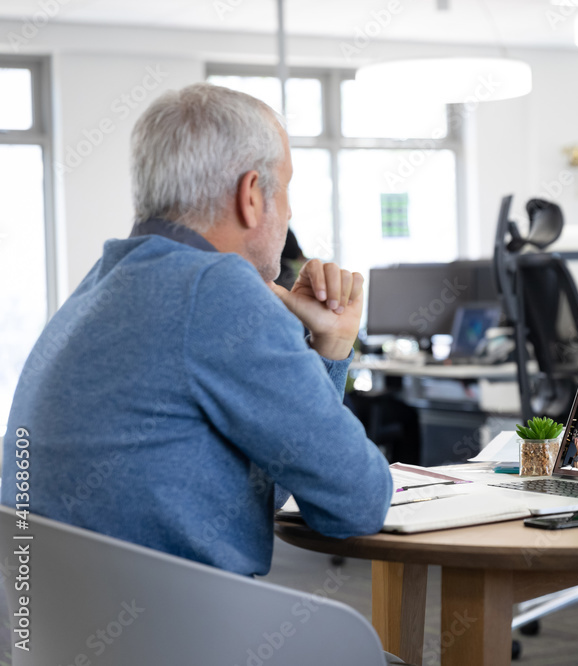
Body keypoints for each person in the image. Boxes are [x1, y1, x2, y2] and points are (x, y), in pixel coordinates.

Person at [0, 83, 393, 579]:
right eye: (287, 188)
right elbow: (357, 501)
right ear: (251, 195)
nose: (290, 212)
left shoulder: (99, 286)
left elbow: (291, 475)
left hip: (56, 645)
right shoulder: (216, 287)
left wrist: (331, 346)